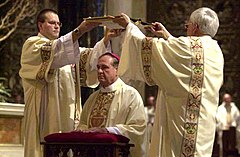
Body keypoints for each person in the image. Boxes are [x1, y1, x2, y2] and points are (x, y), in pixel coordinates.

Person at [113, 7, 224, 157]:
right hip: (204, 122)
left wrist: (129, 27)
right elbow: (186, 56)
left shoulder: (187, 46)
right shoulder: (216, 50)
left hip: (181, 119)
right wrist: (167, 36)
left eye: (188, 26)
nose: (187, 29)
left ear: (195, 27)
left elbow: (147, 47)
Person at [19, 9, 119, 157]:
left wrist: (105, 40)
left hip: (67, 113)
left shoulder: (67, 49)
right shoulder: (33, 44)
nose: (57, 26)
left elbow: (90, 60)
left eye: (59, 23)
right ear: (40, 25)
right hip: (45, 112)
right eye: (52, 23)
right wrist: (81, 30)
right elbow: (55, 50)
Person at [77, 53, 148, 157]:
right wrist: (82, 130)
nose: (100, 71)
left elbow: (137, 128)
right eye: (98, 67)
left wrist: (107, 131)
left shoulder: (131, 95)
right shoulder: (93, 97)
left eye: (105, 67)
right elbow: (83, 123)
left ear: (117, 70)